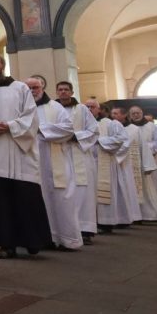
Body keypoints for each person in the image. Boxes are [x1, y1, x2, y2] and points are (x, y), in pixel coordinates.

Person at [0, 53, 51, 259]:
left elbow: (31, 117)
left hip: (19, 153)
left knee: (26, 198)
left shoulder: (20, 88)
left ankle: (32, 241)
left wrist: (10, 126)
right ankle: (6, 244)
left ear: (2, 65)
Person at [27, 75, 83, 251]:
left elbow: (68, 128)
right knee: (37, 200)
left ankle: (67, 239)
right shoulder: (21, 107)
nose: (32, 91)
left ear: (42, 88)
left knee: (62, 199)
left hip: (54, 160)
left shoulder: (55, 107)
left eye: (35, 87)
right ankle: (44, 238)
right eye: (29, 88)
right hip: (30, 162)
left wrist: (40, 129)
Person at [55, 81, 97, 244]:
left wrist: (75, 137)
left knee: (83, 191)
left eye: (66, 90)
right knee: (63, 191)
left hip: (79, 152)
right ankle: (65, 228)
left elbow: (94, 130)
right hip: (59, 153)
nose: (63, 92)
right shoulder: (53, 108)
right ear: (57, 92)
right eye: (60, 90)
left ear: (72, 92)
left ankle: (84, 229)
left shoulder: (82, 109)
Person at [97, 105, 141, 229]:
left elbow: (123, 142)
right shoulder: (92, 123)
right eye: (113, 113)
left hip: (114, 161)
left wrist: (114, 155)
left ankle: (120, 218)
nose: (114, 116)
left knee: (119, 190)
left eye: (116, 113)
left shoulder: (113, 124)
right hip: (98, 162)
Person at [125, 105, 157, 222]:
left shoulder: (151, 126)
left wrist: (147, 148)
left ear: (142, 113)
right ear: (129, 115)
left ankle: (152, 213)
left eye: (138, 113)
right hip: (132, 161)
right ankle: (137, 213)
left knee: (151, 186)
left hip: (150, 160)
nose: (136, 115)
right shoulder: (127, 128)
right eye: (133, 113)